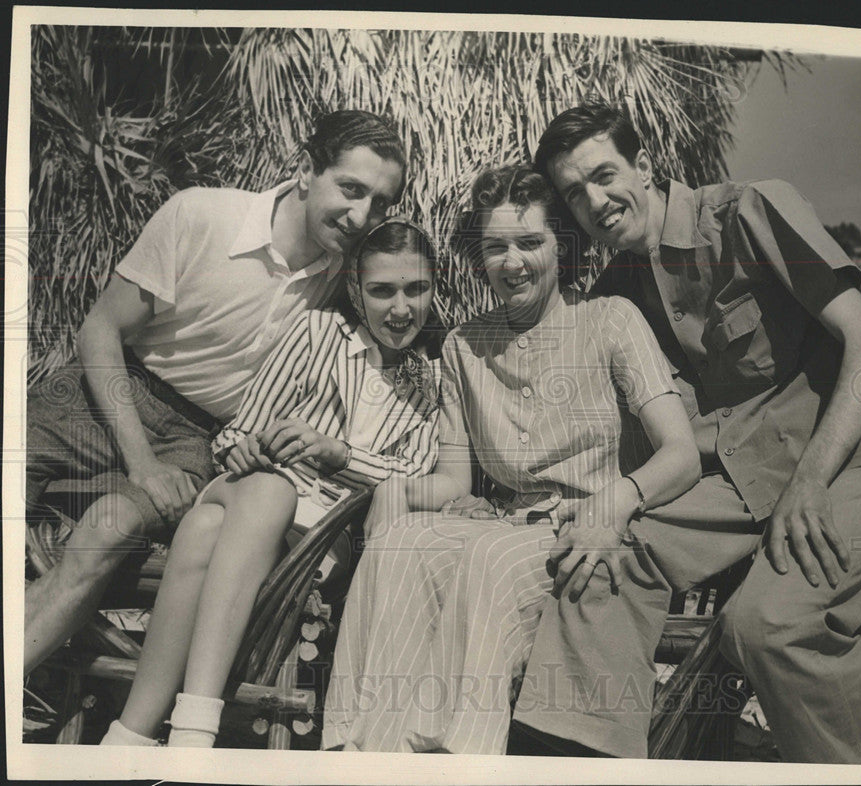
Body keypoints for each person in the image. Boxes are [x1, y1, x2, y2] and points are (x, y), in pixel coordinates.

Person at [516, 102, 861, 762]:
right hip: (745, 476)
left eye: (604, 175)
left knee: (770, 627)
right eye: (575, 193)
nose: (595, 200)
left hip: (860, 454)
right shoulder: (616, 298)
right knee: (597, 568)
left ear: (646, 166)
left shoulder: (749, 212)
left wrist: (810, 482)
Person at [321, 164, 700, 754]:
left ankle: (457, 756)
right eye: (495, 247)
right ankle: (362, 751)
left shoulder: (610, 321)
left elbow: (681, 455)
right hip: (509, 526)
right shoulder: (464, 347)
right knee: (403, 545)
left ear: (562, 246)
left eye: (530, 243)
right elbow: (452, 479)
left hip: (591, 532)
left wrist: (617, 502)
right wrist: (389, 488)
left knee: (490, 557)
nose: (512, 261)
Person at [24, 110, 407, 675]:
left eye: (380, 203)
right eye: (350, 189)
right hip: (103, 392)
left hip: (194, 438)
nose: (362, 216)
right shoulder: (201, 215)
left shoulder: (344, 277)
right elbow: (99, 329)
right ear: (305, 170)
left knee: (109, 531)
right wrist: (141, 462)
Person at [100, 218, 441, 747]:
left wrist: (338, 454)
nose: (401, 308)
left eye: (416, 289)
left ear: (434, 288)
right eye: (382, 290)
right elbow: (234, 433)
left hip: (323, 537)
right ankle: (195, 729)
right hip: (254, 493)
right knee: (268, 488)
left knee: (204, 527)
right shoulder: (316, 334)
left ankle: (131, 734)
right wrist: (249, 448)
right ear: (355, 289)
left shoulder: (431, 383)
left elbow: (416, 474)